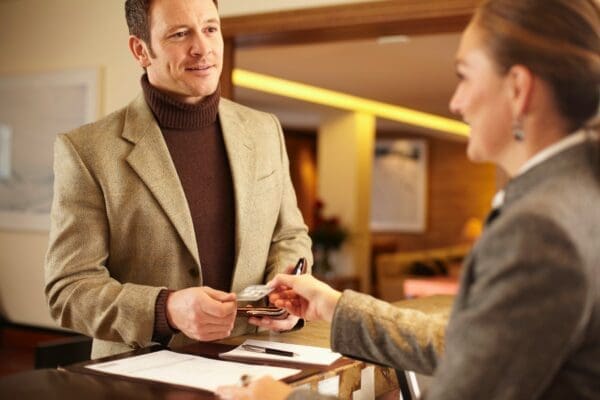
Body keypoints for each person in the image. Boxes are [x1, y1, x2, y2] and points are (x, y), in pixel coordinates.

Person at [216, 0, 600, 399]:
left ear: (519, 88)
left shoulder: (540, 228)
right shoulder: (579, 196)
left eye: (464, 77)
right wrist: (335, 306)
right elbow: (470, 345)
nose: (456, 102)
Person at [44, 0, 312, 359]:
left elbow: (290, 235)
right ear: (141, 49)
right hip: (141, 378)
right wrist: (166, 309)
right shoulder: (87, 150)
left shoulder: (265, 130)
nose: (202, 48)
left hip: (251, 369)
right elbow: (69, 289)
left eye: (210, 28)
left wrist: (286, 292)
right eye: (180, 33)